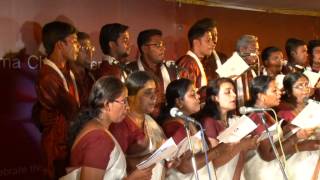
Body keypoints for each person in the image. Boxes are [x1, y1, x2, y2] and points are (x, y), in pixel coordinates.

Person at [63, 76, 153, 180]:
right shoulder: (99, 139)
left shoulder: (96, 127)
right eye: (124, 101)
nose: (127, 107)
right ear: (106, 105)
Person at [244, 75, 320, 179]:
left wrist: (286, 131)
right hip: (264, 173)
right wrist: (296, 138)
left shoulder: (266, 113)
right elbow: (267, 155)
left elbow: (274, 142)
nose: (280, 93)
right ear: (262, 96)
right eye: (274, 91)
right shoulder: (258, 117)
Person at [35, 21, 80, 179]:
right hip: (57, 150)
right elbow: (74, 111)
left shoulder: (68, 71)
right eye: (74, 42)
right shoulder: (48, 77)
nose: (78, 47)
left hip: (69, 144)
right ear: (60, 45)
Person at [110, 71, 169, 179]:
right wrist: (158, 154)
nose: (154, 97)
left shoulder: (149, 120)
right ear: (131, 96)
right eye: (147, 93)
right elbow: (118, 166)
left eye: (155, 92)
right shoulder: (121, 124)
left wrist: (169, 159)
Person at [197, 78, 258, 179]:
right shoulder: (209, 122)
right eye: (227, 92)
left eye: (234, 91)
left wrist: (250, 144)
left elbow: (240, 154)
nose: (234, 95)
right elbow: (214, 162)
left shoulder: (235, 121)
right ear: (215, 98)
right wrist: (241, 145)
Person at [127, 29, 177, 118]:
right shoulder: (131, 71)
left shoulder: (171, 69)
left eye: (163, 45)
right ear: (144, 48)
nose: (163, 48)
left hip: (169, 118)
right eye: (158, 45)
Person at [177, 20, 214, 89]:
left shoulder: (194, 62)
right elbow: (186, 95)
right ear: (196, 43)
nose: (212, 44)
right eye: (208, 40)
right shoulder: (188, 63)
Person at [228, 34, 260, 107]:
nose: (257, 54)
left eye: (258, 50)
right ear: (242, 50)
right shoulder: (230, 67)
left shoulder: (250, 69)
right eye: (254, 50)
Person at [70, 31, 95, 107]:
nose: (89, 52)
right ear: (74, 49)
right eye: (85, 48)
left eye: (91, 48)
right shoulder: (65, 77)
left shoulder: (91, 77)